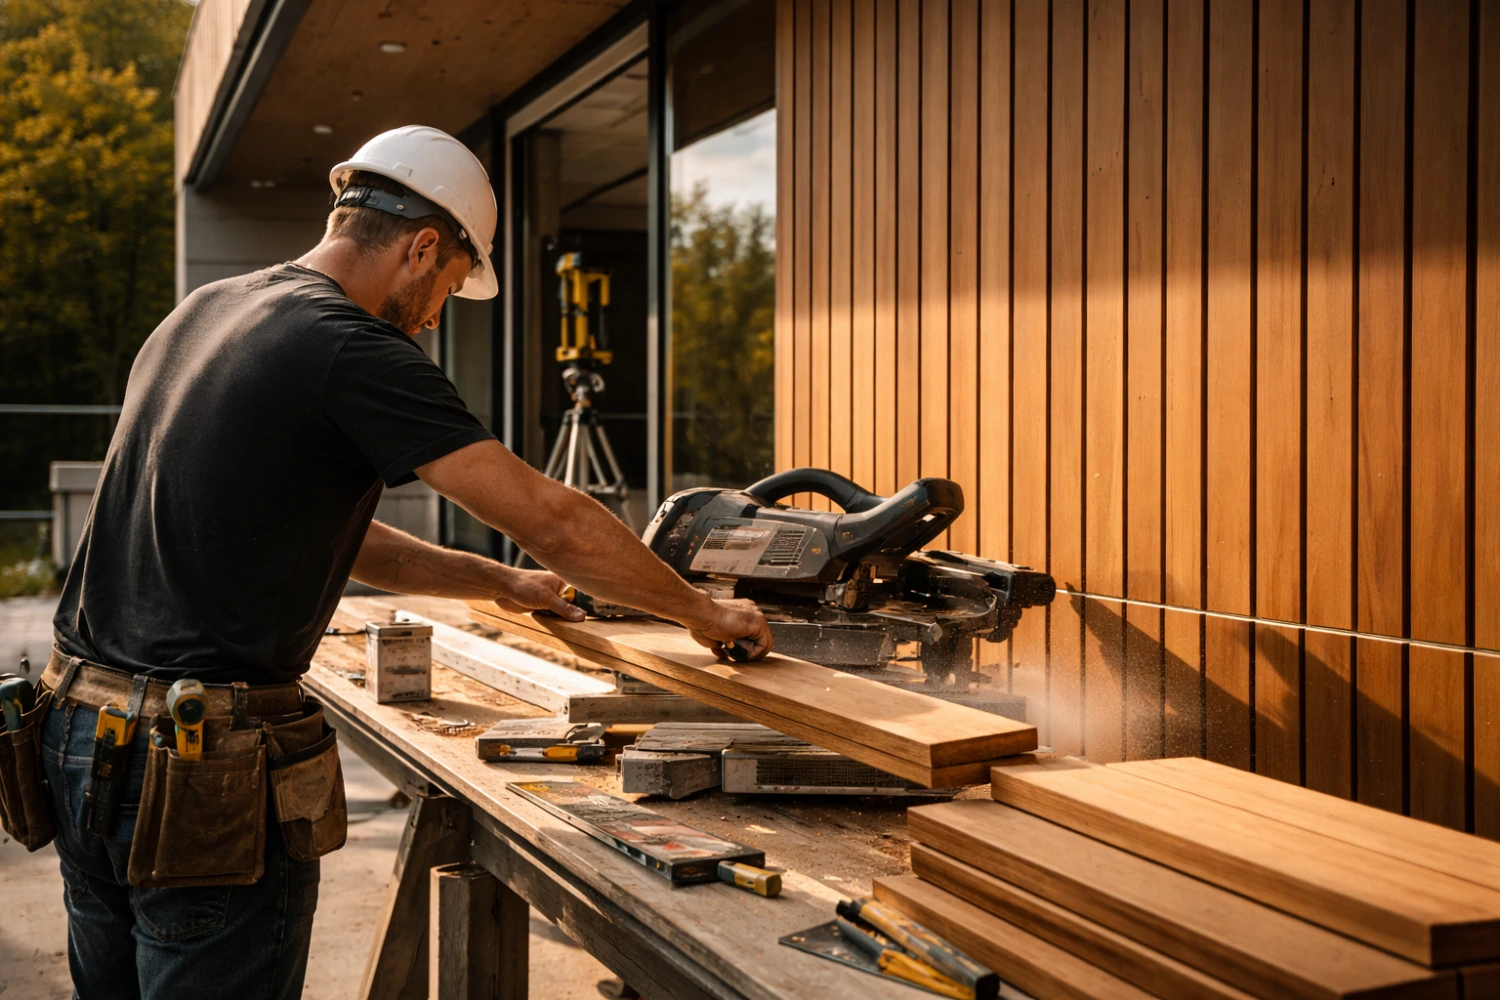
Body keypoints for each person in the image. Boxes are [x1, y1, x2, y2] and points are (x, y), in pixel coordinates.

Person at [39, 125, 771, 999]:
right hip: (197, 768)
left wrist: (498, 581)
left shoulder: (202, 313)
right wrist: (706, 612)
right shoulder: (349, 345)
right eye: (449, 289)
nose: (433, 319)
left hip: (82, 739)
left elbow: (322, 533)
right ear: (424, 246)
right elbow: (555, 519)